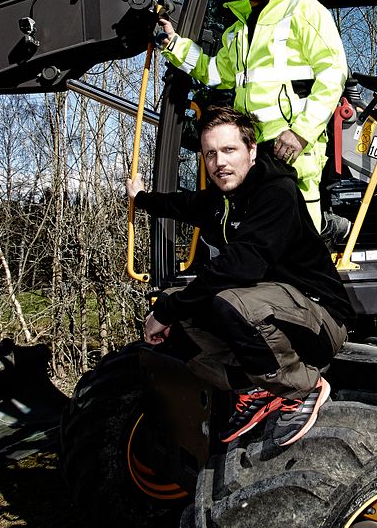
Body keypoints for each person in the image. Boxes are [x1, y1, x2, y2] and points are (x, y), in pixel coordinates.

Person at [126, 105, 351, 447]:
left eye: (230, 150)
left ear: (252, 151)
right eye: (211, 153)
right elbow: (180, 204)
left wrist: (167, 312)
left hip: (320, 320)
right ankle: (256, 388)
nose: (220, 162)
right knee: (178, 313)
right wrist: (141, 198)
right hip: (273, 311)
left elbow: (242, 264)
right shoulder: (223, 199)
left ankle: (301, 388)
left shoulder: (276, 193)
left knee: (226, 302)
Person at [156, 0, 348, 232]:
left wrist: (301, 132)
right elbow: (215, 73)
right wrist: (174, 45)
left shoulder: (302, 10)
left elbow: (333, 71)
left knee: (297, 233)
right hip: (253, 148)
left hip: (291, 146)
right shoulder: (239, 29)